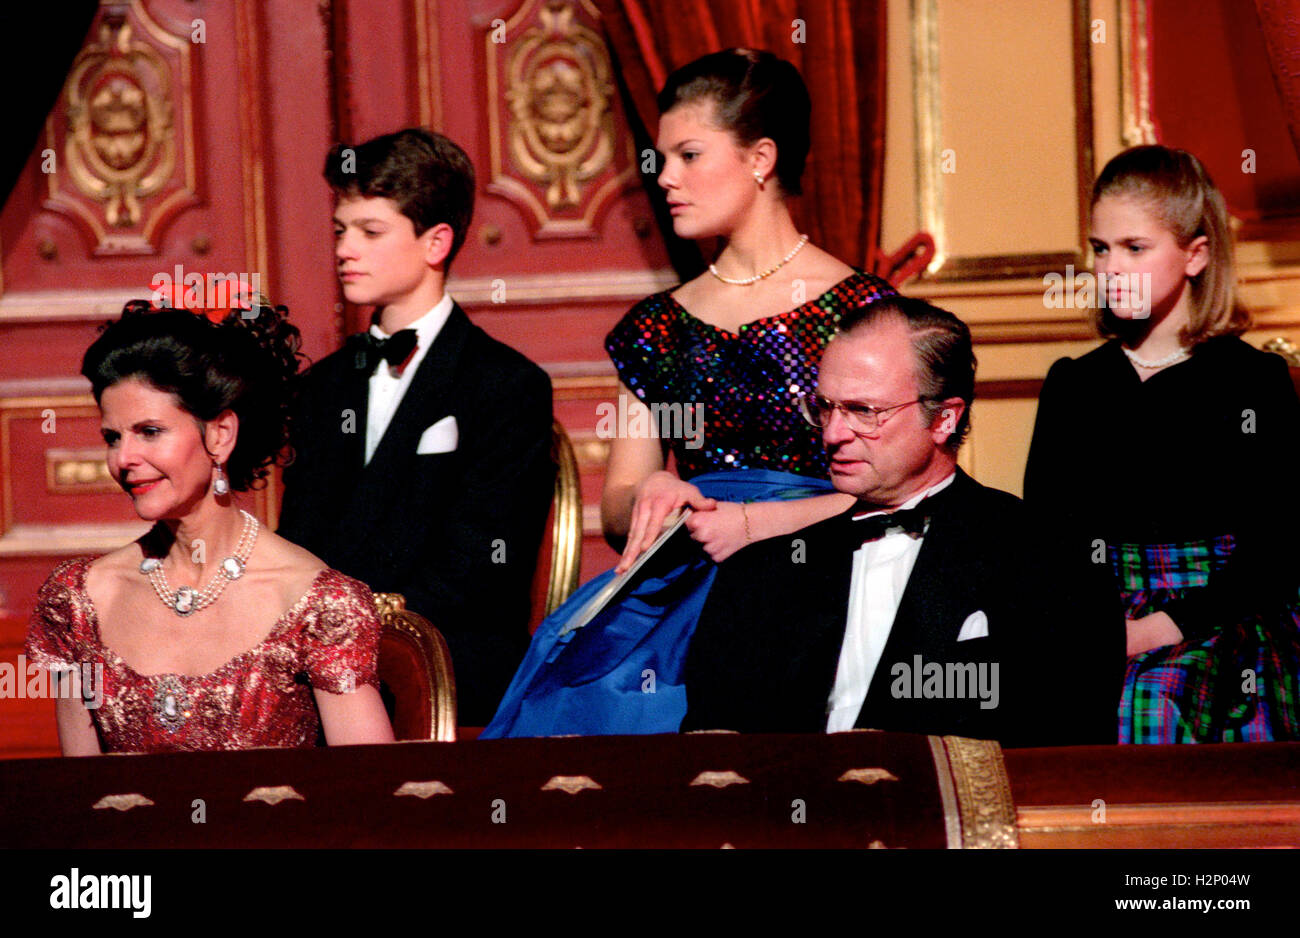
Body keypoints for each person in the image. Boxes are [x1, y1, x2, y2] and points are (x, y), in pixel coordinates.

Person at [483, 49, 897, 738]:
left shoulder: (864, 312)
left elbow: (902, 493)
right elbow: (621, 501)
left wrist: (758, 524)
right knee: (580, 693)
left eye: (688, 155)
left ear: (761, 158)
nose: (665, 177)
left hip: (825, 570)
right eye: (661, 157)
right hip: (689, 568)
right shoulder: (659, 326)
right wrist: (652, 494)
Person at [683, 296, 1125, 745]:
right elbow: (713, 753)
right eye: (826, 408)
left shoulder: (1048, 559)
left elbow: (1068, 746)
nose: (834, 434)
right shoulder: (759, 574)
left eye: (863, 411)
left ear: (944, 419)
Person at [26, 292, 395, 754]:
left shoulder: (317, 605)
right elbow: (84, 799)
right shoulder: (79, 601)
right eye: (112, 437)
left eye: (150, 432)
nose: (123, 459)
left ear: (220, 434)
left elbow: (370, 794)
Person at [277, 128, 555, 726]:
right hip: (322, 652)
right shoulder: (320, 387)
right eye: (340, 231)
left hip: (448, 653)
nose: (345, 249)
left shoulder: (506, 385)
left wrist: (361, 628)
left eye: (370, 232)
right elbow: (300, 542)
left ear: (436, 243)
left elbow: (484, 566)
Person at [1024, 145, 1300, 743]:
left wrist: (1156, 629)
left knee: (1148, 702)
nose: (1109, 268)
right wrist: (1085, 625)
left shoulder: (1250, 381)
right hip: (1097, 611)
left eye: (1135, 248)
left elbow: (1274, 554)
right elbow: (1049, 538)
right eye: (1100, 248)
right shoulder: (1076, 383)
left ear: (1196, 254)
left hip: (1219, 614)